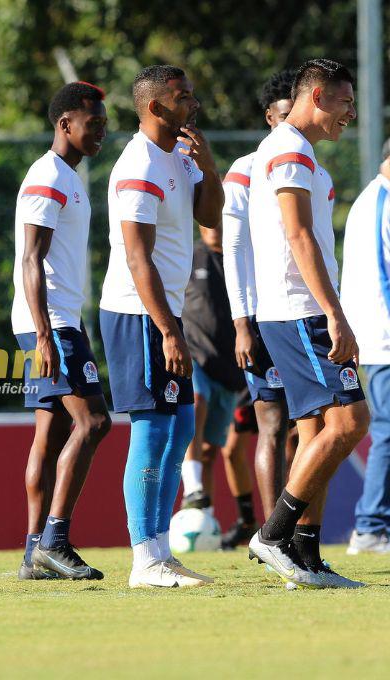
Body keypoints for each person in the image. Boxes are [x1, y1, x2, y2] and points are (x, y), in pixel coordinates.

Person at [245, 59, 369, 589]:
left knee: (318, 429)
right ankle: (273, 535)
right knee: (350, 421)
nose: (351, 114)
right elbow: (298, 237)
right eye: (345, 102)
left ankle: (306, 553)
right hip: (300, 310)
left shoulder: (299, 152)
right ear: (317, 96)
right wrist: (335, 314)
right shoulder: (290, 149)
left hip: (298, 309)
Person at [99, 65, 223, 588]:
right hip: (138, 314)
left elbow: (211, 216)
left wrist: (208, 166)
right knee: (152, 430)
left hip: (166, 314)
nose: (193, 104)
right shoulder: (139, 164)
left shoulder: (179, 157)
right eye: (182, 97)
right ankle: (143, 558)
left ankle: (161, 551)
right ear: (155, 107)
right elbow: (137, 258)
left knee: (180, 430)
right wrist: (169, 331)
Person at [11, 82, 112, 581]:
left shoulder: (66, 176)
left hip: (56, 321)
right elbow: (31, 258)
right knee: (94, 423)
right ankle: (54, 541)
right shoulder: (48, 175)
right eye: (92, 124)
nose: (101, 133)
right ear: (64, 124)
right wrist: (45, 335)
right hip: (51, 324)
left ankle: (34, 551)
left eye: (104, 125)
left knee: (50, 434)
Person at [218, 70, 297, 548]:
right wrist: (242, 323)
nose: (292, 124)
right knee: (272, 424)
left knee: (306, 429)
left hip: (302, 317)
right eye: (285, 115)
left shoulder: (309, 166)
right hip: (264, 322)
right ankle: (274, 537)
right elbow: (234, 250)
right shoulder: (245, 170)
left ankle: (297, 535)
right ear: (270, 117)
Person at [342, 137, 390, 555]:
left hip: (374, 335)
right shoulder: (382, 202)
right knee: (388, 430)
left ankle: (374, 524)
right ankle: (371, 526)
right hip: (384, 339)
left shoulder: (370, 199)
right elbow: (383, 276)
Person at [179, 226, 245, 513]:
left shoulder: (242, 257)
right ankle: (192, 486)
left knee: (209, 452)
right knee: (196, 401)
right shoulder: (189, 255)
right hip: (194, 355)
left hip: (230, 367)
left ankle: (203, 517)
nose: (215, 226)